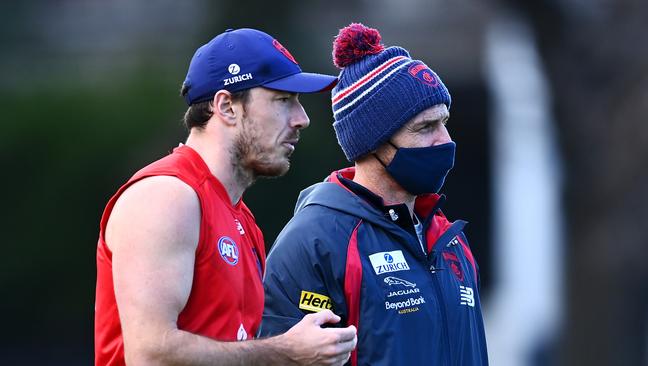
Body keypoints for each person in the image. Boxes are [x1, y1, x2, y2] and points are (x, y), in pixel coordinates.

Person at [94, 28, 357, 366]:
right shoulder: (166, 196)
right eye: (283, 100)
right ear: (227, 107)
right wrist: (286, 351)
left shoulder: (241, 218)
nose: (301, 119)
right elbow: (151, 354)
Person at [259, 23, 488, 365]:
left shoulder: (448, 238)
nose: (445, 140)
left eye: (444, 122)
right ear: (373, 142)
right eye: (425, 127)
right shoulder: (315, 242)